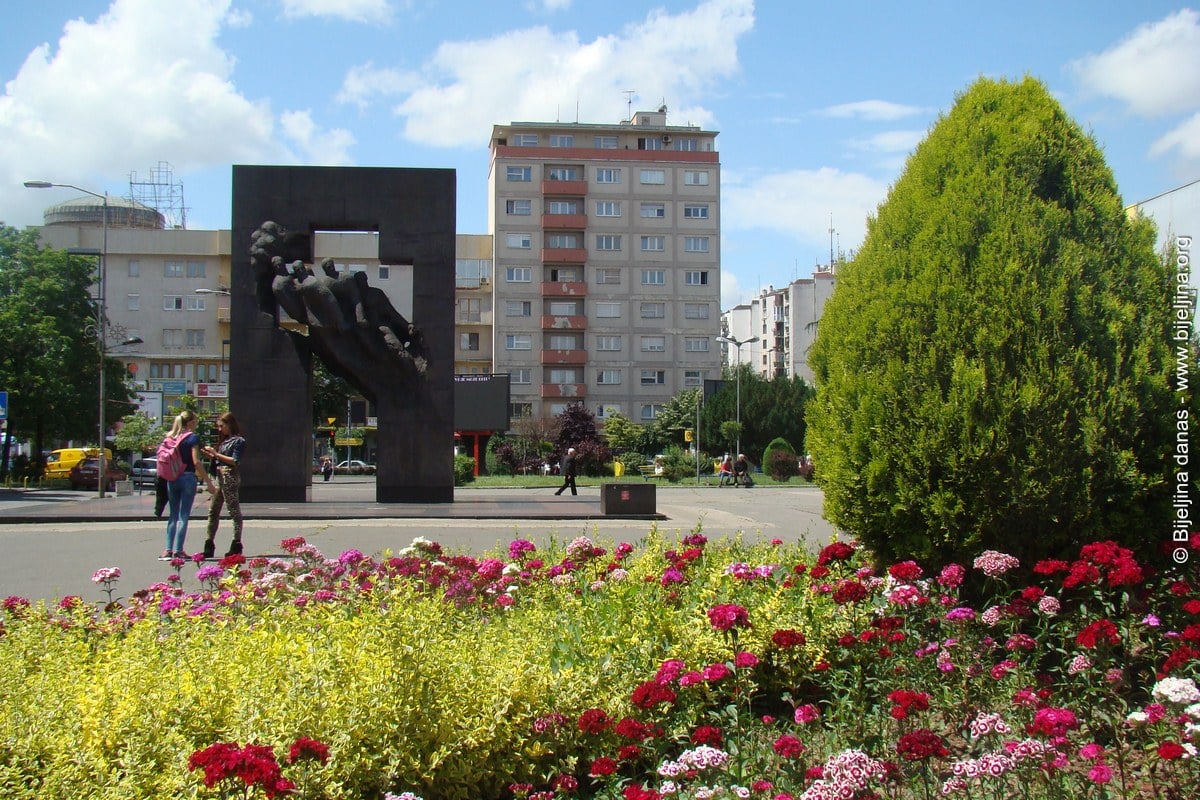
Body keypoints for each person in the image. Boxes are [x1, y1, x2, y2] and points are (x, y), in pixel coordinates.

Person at [161, 410, 215, 560]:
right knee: (183, 515)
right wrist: (209, 483)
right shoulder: (192, 438)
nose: (196, 424)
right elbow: (196, 461)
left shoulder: (170, 437)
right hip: (187, 477)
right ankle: (179, 550)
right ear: (190, 422)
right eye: (195, 421)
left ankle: (167, 550)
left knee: (173, 515)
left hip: (172, 477)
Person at [200, 412, 247, 559]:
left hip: (229, 476)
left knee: (233, 510)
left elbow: (234, 460)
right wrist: (213, 456)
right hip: (219, 477)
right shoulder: (224, 441)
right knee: (213, 510)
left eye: (222, 426)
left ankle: (236, 543)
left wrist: (216, 454)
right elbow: (220, 459)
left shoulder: (238, 441)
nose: (220, 429)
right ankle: (209, 543)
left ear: (229, 424)